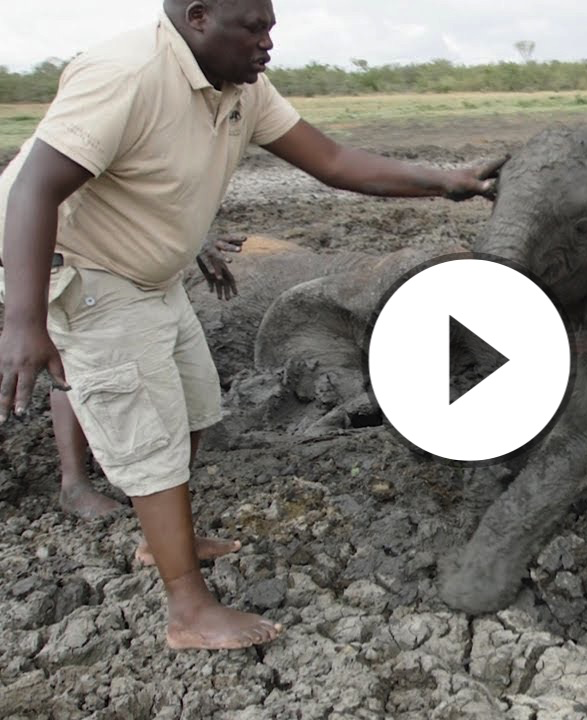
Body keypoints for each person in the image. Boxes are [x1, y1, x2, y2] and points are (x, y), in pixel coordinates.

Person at [0, 0, 503, 651]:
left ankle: (167, 542)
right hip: (87, 272)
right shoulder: (127, 75)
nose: (270, 40)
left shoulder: (242, 87)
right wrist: (24, 317)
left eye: (270, 24)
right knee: (146, 436)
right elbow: (33, 187)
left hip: (150, 274)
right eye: (254, 26)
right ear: (200, 17)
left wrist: (446, 182)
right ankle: (187, 610)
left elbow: (333, 161)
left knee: (198, 408)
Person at [52, 232, 245, 527]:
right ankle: (76, 483)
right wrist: (22, 319)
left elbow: (159, 196)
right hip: (80, 264)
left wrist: (193, 240)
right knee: (80, 361)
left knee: (188, 387)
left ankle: (157, 498)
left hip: (145, 262)